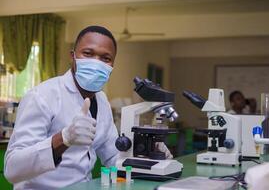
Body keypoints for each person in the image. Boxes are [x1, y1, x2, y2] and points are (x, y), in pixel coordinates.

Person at [4, 26, 172, 189]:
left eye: (105, 58)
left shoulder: (101, 100)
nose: (96, 63)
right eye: (88, 53)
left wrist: (147, 156)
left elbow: (113, 155)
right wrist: (63, 138)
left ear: (112, 65)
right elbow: (12, 169)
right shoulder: (42, 96)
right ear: (73, 56)